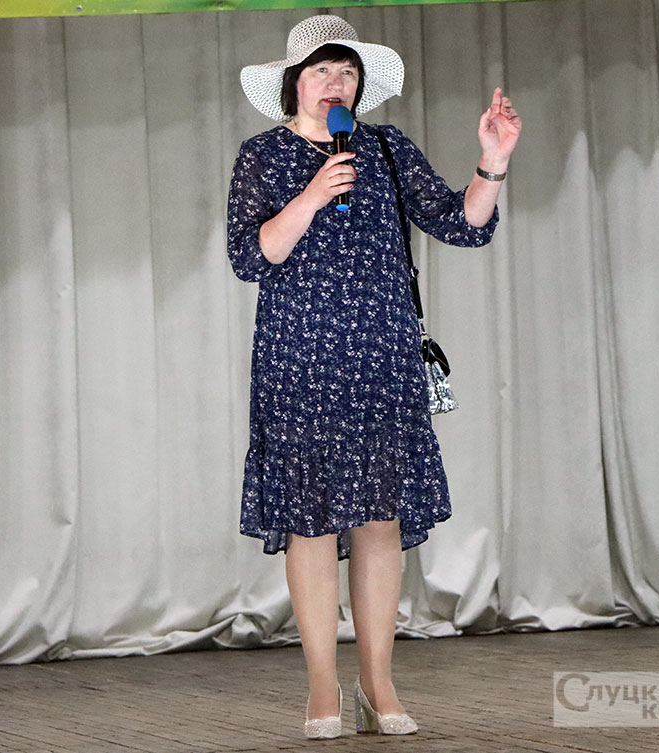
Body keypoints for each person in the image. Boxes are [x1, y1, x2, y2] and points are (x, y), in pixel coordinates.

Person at [227, 14, 521, 739]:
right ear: (295, 83)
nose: (338, 82)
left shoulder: (386, 148)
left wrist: (492, 162)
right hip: (300, 359)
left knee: (381, 520)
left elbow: (461, 223)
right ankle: (321, 687)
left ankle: (378, 683)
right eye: (323, 70)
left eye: (348, 71)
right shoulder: (261, 155)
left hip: (382, 356)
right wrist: (312, 194)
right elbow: (250, 256)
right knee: (311, 521)